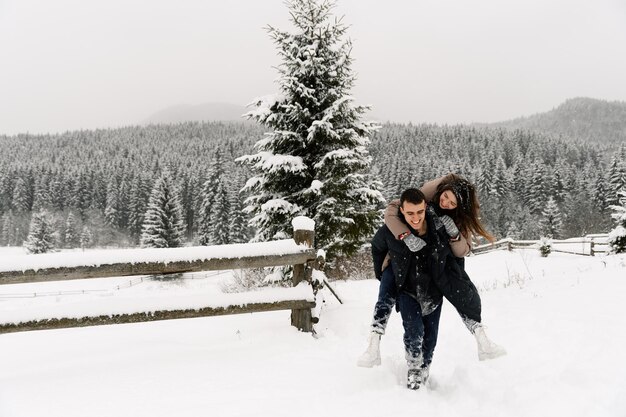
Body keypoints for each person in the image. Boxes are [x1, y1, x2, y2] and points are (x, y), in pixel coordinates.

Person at [357, 174, 505, 369]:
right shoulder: (428, 195)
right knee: (410, 325)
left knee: (453, 294)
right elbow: (390, 218)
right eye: (445, 197)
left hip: (435, 275)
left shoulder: (453, 220)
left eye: (452, 203)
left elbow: (462, 252)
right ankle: (395, 359)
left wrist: (453, 235)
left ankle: (478, 335)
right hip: (405, 274)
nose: (446, 203)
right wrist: (404, 236)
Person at [370, 188, 472, 389]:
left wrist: (454, 279)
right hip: (407, 289)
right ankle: (414, 368)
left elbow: (454, 257)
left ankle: (426, 366)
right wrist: (383, 274)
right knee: (413, 330)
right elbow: (377, 247)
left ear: (425, 207)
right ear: (402, 210)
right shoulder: (391, 230)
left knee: (430, 335)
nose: (415, 217)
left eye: (419, 212)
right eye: (410, 213)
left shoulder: (437, 227)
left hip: (433, 291)